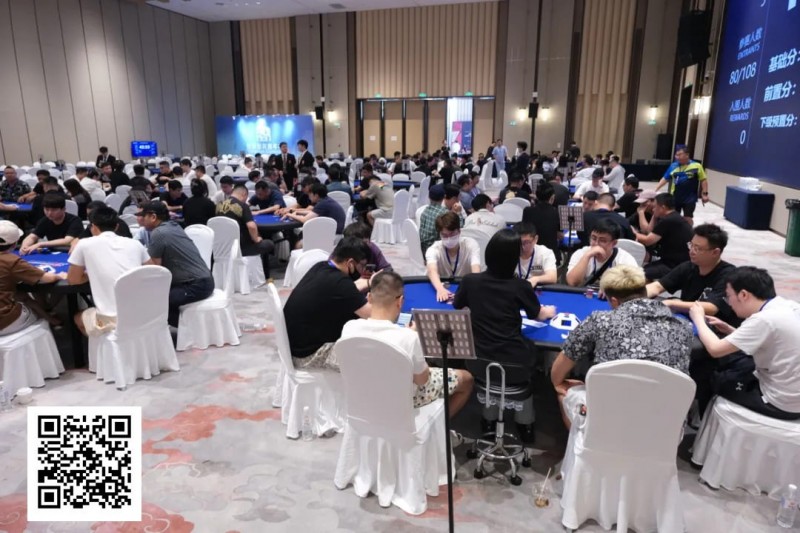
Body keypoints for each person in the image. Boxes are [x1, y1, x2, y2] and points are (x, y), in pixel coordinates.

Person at [551, 265, 693, 429]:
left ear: (613, 300)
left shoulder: (599, 321)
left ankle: (589, 443)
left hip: (606, 423)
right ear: (644, 290)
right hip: (666, 425)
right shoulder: (683, 326)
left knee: (565, 392)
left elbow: (557, 374)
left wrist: (558, 383)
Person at [454, 229, 556, 441]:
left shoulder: (470, 281)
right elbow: (536, 314)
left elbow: (457, 304)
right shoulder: (521, 286)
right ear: (514, 258)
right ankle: (525, 423)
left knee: (492, 374)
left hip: (477, 361)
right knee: (533, 356)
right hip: (516, 364)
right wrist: (549, 312)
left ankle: (488, 420)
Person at [341, 271, 473, 417]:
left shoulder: (349, 328)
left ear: (369, 297)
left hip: (364, 394)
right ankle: (440, 425)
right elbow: (422, 380)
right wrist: (411, 335)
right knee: (467, 378)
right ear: (400, 301)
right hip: (402, 398)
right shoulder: (408, 337)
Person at [689, 267, 800, 420]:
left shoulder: (763, 319)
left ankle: (700, 422)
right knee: (735, 360)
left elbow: (715, 349)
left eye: (728, 296)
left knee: (709, 373)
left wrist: (698, 318)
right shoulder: (788, 306)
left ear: (743, 295)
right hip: (792, 391)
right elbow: (768, 339)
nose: (729, 303)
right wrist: (731, 330)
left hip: (780, 402)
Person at [283, 237, 372, 371]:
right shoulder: (340, 283)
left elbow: (345, 291)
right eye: (362, 266)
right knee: (371, 355)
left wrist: (368, 283)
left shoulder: (321, 267)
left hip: (296, 344)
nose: (363, 270)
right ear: (350, 263)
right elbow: (373, 315)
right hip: (308, 355)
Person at [66, 206, 150, 337]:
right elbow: (153, 272)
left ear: (93, 227)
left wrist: (90, 275)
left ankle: (109, 347)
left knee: (78, 318)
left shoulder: (84, 244)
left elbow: (73, 280)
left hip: (111, 319)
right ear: (116, 226)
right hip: (145, 313)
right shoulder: (135, 244)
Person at [137, 201, 214, 327]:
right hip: (204, 280)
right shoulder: (174, 226)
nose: (140, 219)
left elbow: (154, 269)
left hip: (195, 286)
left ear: (153, 217)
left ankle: (191, 330)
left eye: (143, 216)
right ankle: (188, 328)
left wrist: (139, 257)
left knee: (154, 300)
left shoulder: (159, 233)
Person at [0, 220, 64, 333]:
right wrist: (60, 275)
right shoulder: (12, 261)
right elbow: (49, 278)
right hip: (4, 321)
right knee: (34, 312)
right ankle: (49, 322)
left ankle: (52, 319)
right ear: (15, 243)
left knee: (21, 295)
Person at [216, 185, 275, 279]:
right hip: (240, 248)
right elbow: (251, 226)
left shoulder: (219, 205)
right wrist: (256, 239)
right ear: (244, 194)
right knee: (269, 243)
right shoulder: (242, 206)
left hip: (223, 247)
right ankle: (265, 275)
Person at [634, 193, 692, 280]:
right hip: (675, 261)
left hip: (675, 265)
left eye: (655, 207)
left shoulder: (668, 220)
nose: (653, 209)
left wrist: (632, 232)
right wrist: (654, 216)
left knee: (639, 274)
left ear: (663, 207)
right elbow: (649, 231)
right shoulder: (673, 216)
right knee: (644, 268)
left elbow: (648, 241)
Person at [425, 211, 481, 302]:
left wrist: (474, 288)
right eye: (444, 235)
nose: (448, 238)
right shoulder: (433, 249)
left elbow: (476, 268)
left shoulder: (471, 245)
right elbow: (431, 270)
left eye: (452, 234)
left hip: (464, 286)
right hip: (441, 285)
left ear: (459, 231)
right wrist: (440, 289)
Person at [566, 218, 640, 287]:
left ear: (614, 243)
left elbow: (636, 285)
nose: (596, 244)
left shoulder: (624, 258)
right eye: (593, 238)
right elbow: (572, 282)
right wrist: (587, 256)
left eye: (602, 240)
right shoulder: (581, 253)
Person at [655, 147, 708, 225]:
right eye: (676, 155)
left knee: (688, 218)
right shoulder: (673, 166)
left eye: (679, 155)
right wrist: (656, 189)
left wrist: (705, 194)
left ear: (687, 155)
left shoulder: (697, 166)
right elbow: (665, 178)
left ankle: (688, 231)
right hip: (675, 197)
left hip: (690, 198)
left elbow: (703, 180)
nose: (677, 157)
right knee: (673, 217)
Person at [280, 182, 346, 235]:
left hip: (333, 234)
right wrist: (295, 212)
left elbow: (305, 220)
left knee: (302, 235)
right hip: (335, 230)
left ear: (316, 195)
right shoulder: (326, 200)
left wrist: (289, 214)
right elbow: (312, 213)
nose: (309, 197)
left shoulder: (322, 204)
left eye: (310, 194)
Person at [522, 183, 562, 262]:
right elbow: (560, 235)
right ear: (552, 197)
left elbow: (524, 229)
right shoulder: (556, 212)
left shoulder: (527, 211)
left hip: (530, 253)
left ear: (536, 196)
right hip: (551, 256)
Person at [513, 222, 557, 286]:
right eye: (518, 242)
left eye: (527, 242)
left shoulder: (545, 252)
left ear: (536, 239)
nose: (522, 246)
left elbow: (552, 277)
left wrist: (536, 279)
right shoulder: (509, 251)